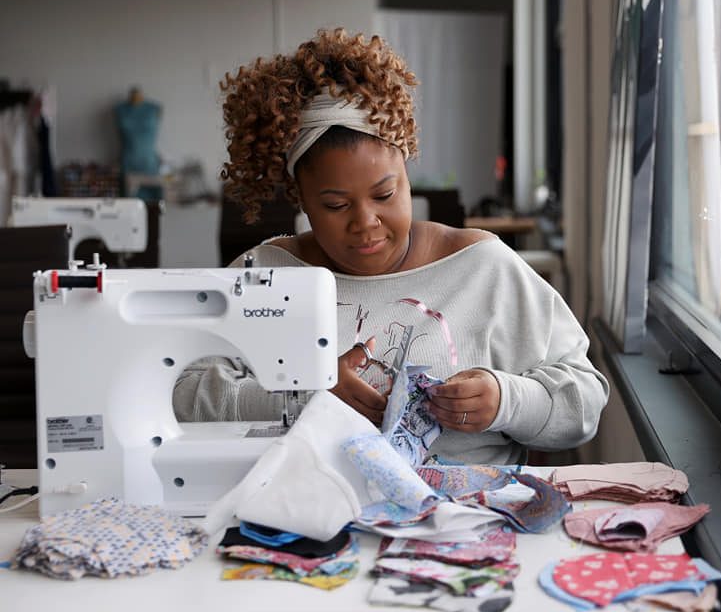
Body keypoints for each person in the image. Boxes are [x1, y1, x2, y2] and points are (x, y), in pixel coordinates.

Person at [173, 28, 608, 465]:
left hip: (467, 519)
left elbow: (585, 404)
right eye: (335, 204)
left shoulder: (484, 269)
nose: (366, 223)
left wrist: (506, 400)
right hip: (312, 514)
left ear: (407, 170)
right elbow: (181, 394)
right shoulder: (263, 275)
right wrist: (301, 396)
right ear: (299, 199)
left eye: (384, 195)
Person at [114, 86, 161, 175]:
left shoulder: (155, 108)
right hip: (128, 160)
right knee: (129, 187)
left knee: (151, 185)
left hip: (149, 160)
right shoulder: (119, 109)